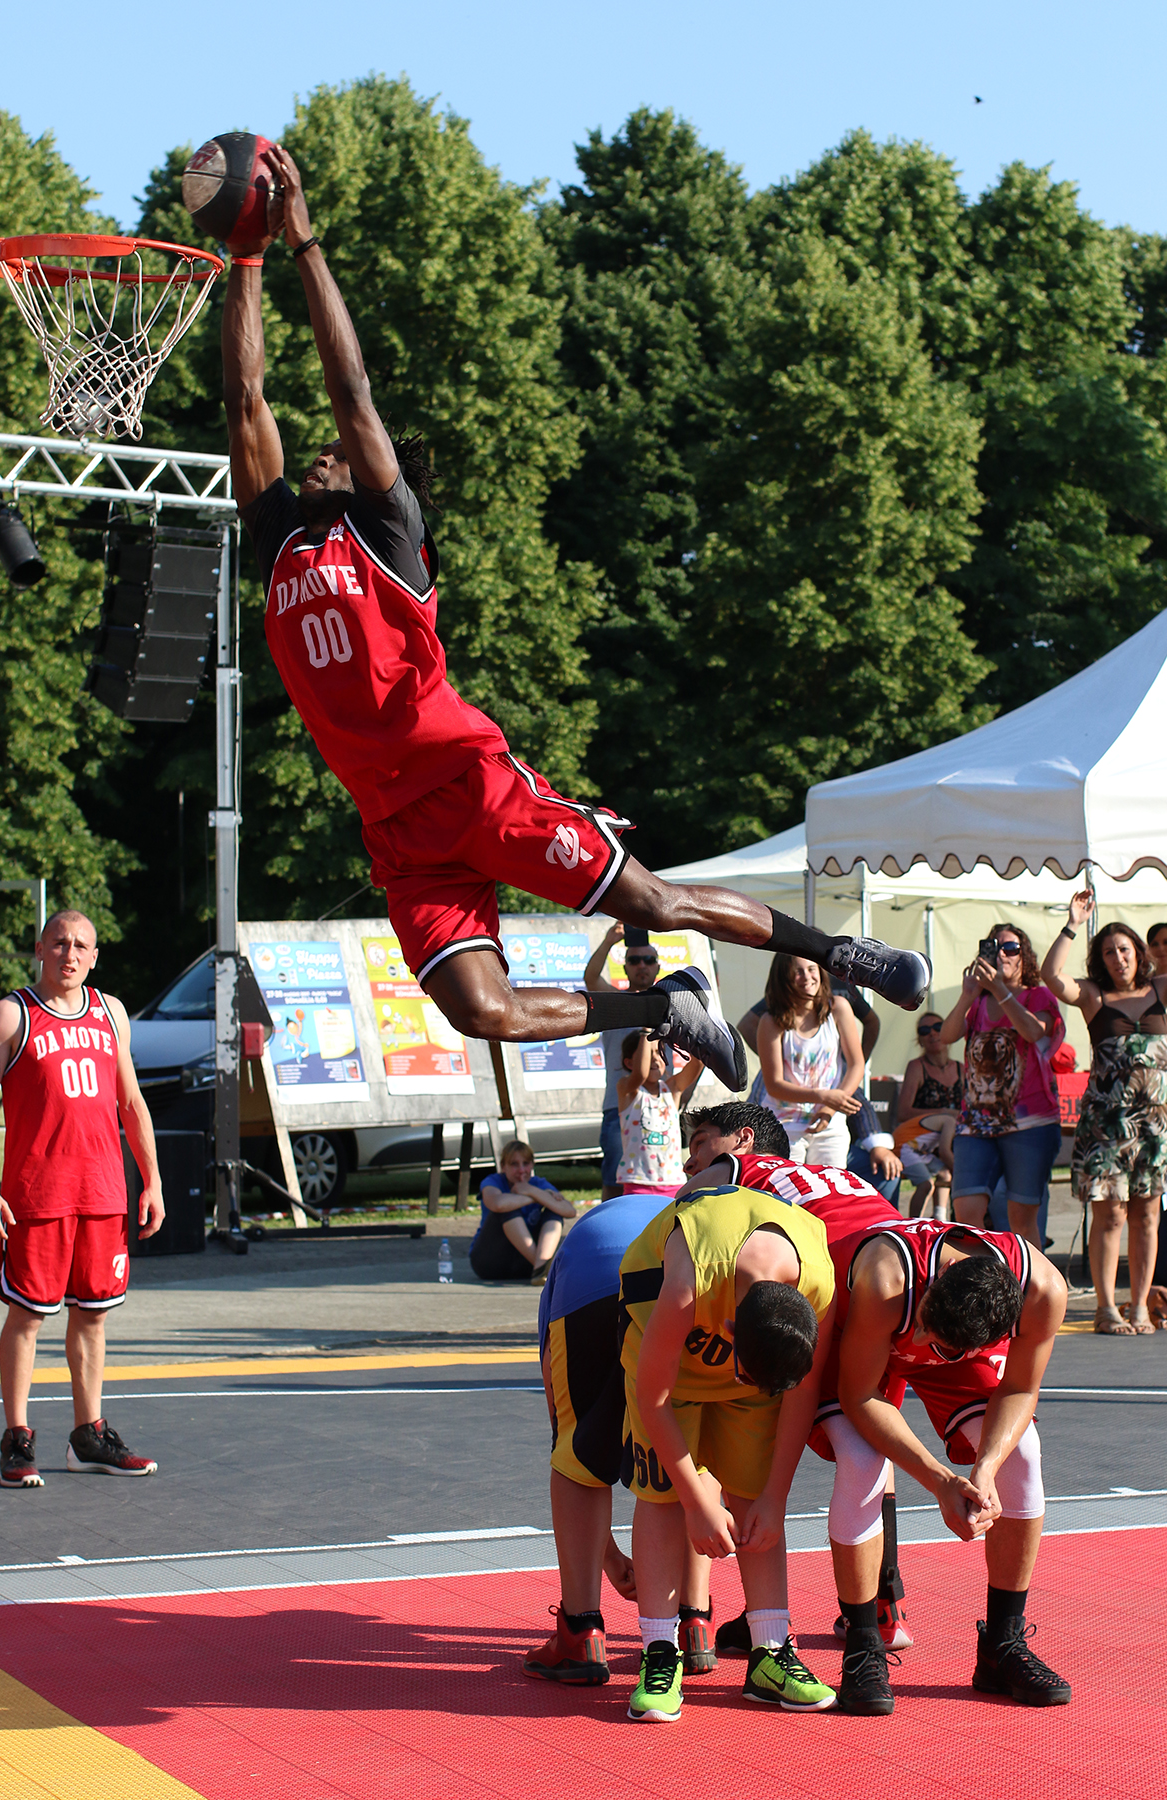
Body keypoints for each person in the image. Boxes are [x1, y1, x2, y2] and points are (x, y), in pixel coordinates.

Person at [218, 144, 931, 1099]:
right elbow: (245, 398)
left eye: (335, 456)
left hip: (472, 785)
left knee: (657, 901)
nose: (318, 458)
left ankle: (849, 954)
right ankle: (663, 1010)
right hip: (397, 828)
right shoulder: (280, 546)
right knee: (481, 1011)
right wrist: (245, 256)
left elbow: (352, 393)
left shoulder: (386, 532)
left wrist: (303, 244)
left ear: (368, 474)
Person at [678, 1103, 912, 1654]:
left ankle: (698, 1615)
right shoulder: (841, 1175)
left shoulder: (743, 1171)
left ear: (742, 1141)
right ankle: (884, 1606)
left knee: (724, 1413)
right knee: (870, 1440)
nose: (690, 1162)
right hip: (898, 1281)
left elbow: (681, 1216)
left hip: (837, 1286)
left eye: (701, 1142)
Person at [825, 1215, 1070, 1714]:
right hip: (859, 1329)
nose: (917, 1341)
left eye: (934, 1341)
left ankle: (1002, 1644)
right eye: (924, 1324)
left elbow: (1020, 1387)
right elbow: (859, 1396)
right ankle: (863, 1646)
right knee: (861, 1457)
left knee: (1022, 1455)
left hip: (935, 1327)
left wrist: (985, 1468)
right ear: (938, 1280)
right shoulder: (887, 1276)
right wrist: (940, 1481)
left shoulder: (1043, 1289)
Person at [618, 1179, 837, 1723]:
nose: (748, 1386)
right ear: (730, 1331)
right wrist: (697, 1502)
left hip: (748, 1345)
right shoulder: (691, 1275)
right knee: (663, 1494)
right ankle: (658, 1653)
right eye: (746, 1375)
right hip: (666, 1357)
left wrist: (775, 1497)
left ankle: (770, 1652)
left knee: (756, 1494)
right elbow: (653, 1397)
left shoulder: (819, 1277)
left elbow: (802, 1393)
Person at [0, 910, 163, 1487]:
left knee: (93, 1315)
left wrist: (152, 1180)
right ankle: (16, 1438)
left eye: (80, 946)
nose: (69, 954)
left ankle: (87, 1436)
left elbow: (131, 1102)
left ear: (94, 957)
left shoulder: (111, 1012)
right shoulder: (12, 1014)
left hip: (102, 1191)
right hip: (37, 1194)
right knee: (27, 1315)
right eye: (59, 943)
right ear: (39, 948)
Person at [522, 1183, 737, 1686]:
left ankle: (581, 1631)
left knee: (578, 1453)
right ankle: (695, 1620)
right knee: (694, 1448)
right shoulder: (694, 1214)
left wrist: (610, 1558)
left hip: (594, 1271)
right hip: (690, 1270)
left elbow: (563, 1427)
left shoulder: (580, 1247)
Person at [1041, 895, 1167, 1334]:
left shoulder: (1159, 990)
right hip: (1107, 1124)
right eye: (1110, 952)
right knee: (1110, 1214)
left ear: (1140, 953)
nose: (1119, 958)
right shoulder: (1094, 996)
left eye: (1125, 949)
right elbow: (1051, 976)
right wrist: (1073, 923)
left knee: (1147, 1215)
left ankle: (1139, 1306)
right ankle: (1106, 1307)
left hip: (1153, 1125)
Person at [939, 924, 1064, 1249]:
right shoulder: (979, 1002)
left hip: (1030, 1123)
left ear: (1024, 956)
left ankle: (1029, 1280)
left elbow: (1033, 1031)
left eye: (1011, 948)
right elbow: (947, 1035)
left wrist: (999, 989)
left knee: (1021, 1218)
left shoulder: (1038, 995)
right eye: (995, 947)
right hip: (976, 1123)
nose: (1003, 955)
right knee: (966, 1211)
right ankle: (983, 1277)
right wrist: (968, 994)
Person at [755, 957, 864, 1168]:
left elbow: (856, 1064)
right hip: (784, 1124)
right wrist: (823, 1096)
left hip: (830, 1124)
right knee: (788, 1187)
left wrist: (830, 1109)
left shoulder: (838, 1008)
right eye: (798, 972)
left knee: (829, 1186)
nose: (807, 977)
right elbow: (774, 1085)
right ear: (783, 977)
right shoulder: (770, 1021)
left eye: (812, 969)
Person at [584, 926, 663, 1200]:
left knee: (660, 1181)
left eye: (648, 960)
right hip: (618, 1109)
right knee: (615, 1183)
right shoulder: (614, 1001)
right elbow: (591, 978)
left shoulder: (668, 1006)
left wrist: (681, 1096)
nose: (642, 965)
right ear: (625, 967)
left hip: (661, 1109)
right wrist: (609, 941)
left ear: (657, 967)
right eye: (634, 960)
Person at [468, 1140, 576, 1284]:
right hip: (490, 1262)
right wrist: (537, 1196)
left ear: (532, 1165)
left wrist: (531, 1191)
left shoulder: (537, 1184)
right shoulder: (492, 1181)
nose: (521, 1170)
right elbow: (497, 1204)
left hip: (525, 1265)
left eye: (526, 1163)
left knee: (553, 1212)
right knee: (506, 1209)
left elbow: (569, 1211)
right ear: (503, 1166)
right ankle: (544, 1270)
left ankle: (540, 1267)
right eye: (514, 1164)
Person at [615, 1031, 702, 1196]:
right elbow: (640, 1074)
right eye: (649, 1053)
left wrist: (687, 1033)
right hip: (637, 1182)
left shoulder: (672, 1090)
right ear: (629, 1062)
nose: (655, 1058)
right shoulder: (627, 1089)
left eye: (658, 1052)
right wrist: (646, 1032)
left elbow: (697, 1062)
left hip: (673, 1182)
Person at [894, 1011, 962, 1219]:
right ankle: (913, 1225)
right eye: (924, 1031)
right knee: (929, 1182)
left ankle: (941, 1220)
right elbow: (903, 1112)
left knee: (946, 1174)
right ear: (919, 1040)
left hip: (951, 1140)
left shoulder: (961, 1069)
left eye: (938, 1027)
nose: (932, 1034)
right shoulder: (917, 1067)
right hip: (919, 1141)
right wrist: (942, 1113)